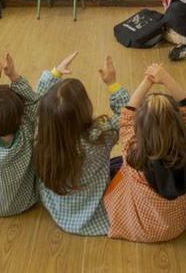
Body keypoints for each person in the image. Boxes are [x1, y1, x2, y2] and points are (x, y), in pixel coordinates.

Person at [0, 52, 75, 216]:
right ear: (20, 117)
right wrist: (13, 75)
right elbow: (34, 101)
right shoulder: (27, 129)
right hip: (25, 201)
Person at [103, 64, 186, 242]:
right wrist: (165, 77)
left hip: (136, 227)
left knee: (114, 166)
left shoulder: (132, 155)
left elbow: (126, 116)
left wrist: (148, 80)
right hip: (176, 228)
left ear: (139, 128)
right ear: (178, 124)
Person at [33, 56, 128, 236]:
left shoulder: (40, 132)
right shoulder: (100, 137)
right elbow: (127, 113)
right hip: (92, 213)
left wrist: (54, 74)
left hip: (56, 208)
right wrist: (113, 84)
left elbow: (36, 101)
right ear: (85, 108)